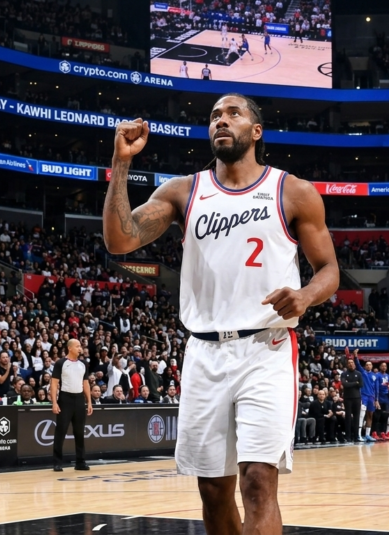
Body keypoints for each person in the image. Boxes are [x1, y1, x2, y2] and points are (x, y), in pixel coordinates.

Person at [103, 93, 338, 534]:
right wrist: (121, 164)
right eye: (214, 116)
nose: (221, 121)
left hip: (265, 349)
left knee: (258, 482)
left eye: (233, 114)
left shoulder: (293, 192)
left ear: (256, 130)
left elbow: (329, 269)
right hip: (204, 352)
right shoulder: (184, 191)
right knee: (213, 489)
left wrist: (306, 296)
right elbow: (120, 241)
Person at [51, 339, 92, 472]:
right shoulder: (61, 363)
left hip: (79, 399)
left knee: (80, 432)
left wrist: (89, 401)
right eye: (77, 346)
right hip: (65, 398)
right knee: (61, 431)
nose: (80, 348)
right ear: (70, 348)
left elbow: (86, 384)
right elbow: (54, 384)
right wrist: (54, 402)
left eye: (80, 346)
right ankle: (57, 462)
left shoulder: (83, 364)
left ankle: (80, 462)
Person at [354, 350, 378, 442]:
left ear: (372, 366)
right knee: (362, 415)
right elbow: (357, 364)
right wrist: (356, 356)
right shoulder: (362, 372)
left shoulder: (375, 376)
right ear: (365, 366)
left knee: (370, 416)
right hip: (363, 396)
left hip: (371, 397)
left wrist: (376, 400)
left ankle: (367, 435)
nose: (368, 366)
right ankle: (359, 435)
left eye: (370, 365)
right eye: (367, 364)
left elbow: (376, 389)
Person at [341, 356, 362, 444]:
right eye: (349, 363)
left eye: (352, 363)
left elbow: (361, 384)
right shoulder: (344, 374)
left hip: (357, 398)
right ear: (347, 364)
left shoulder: (359, 373)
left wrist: (352, 384)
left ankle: (356, 436)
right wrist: (355, 383)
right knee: (348, 417)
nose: (351, 364)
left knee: (357, 418)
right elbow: (345, 384)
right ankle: (348, 436)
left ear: (354, 364)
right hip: (347, 398)